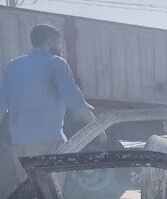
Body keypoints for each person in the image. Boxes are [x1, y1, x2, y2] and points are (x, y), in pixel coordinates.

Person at [0, 23, 96, 188]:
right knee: (52, 194)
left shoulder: (12, 66)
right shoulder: (56, 63)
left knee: (29, 192)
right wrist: (97, 129)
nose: (60, 47)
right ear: (50, 41)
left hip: (20, 144)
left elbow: (1, 106)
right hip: (49, 141)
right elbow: (75, 101)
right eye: (59, 43)